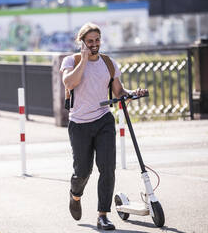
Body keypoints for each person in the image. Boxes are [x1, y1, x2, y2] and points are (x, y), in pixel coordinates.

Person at [60, 22, 147, 230]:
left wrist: (132, 94)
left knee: (107, 168)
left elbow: (119, 92)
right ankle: (75, 195)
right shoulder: (71, 61)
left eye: (97, 40)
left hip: (103, 120)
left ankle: (103, 215)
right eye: (89, 41)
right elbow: (69, 84)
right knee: (83, 171)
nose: (94, 44)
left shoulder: (109, 63)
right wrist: (83, 60)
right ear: (82, 42)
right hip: (79, 123)